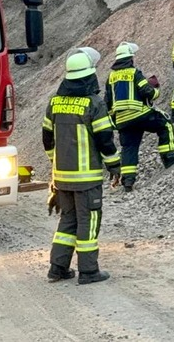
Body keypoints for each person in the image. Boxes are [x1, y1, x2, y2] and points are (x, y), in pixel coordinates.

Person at [42, 48, 120, 285]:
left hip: (62, 178)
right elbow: (104, 139)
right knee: (88, 221)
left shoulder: (54, 103)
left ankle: (57, 268)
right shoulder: (94, 103)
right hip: (86, 180)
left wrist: (56, 165)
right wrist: (114, 166)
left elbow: (47, 139)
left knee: (68, 220)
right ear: (89, 76)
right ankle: (88, 271)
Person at [105, 41, 174, 191]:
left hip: (122, 121)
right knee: (165, 123)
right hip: (140, 114)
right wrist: (156, 89)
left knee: (129, 147)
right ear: (130, 58)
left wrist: (115, 121)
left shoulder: (111, 77)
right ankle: (169, 157)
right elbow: (147, 92)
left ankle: (128, 182)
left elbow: (107, 101)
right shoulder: (134, 73)